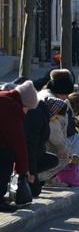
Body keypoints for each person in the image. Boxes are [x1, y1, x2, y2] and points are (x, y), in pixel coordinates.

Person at [0, 80, 38, 211]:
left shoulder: (5, 97)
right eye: (28, 108)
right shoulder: (13, 107)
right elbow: (18, 142)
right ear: (24, 103)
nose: (27, 112)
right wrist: (23, 169)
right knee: (5, 163)